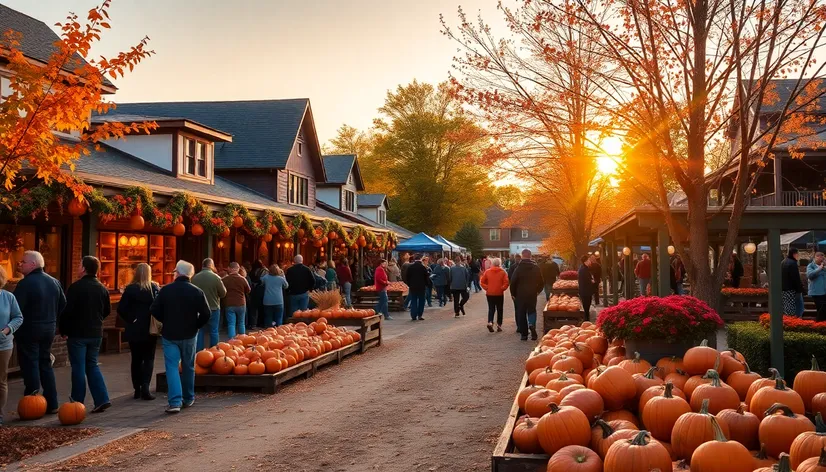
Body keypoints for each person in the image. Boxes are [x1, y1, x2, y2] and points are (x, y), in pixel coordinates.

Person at [150, 260, 211, 414]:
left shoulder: (166, 290)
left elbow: (154, 309)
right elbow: (206, 313)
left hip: (170, 333)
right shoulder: (197, 291)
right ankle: (189, 397)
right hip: (190, 333)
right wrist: (196, 325)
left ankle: (175, 401)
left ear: (177, 272)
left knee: (171, 367)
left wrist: (165, 320)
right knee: (189, 366)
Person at [13, 250, 65, 415]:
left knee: (30, 365)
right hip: (48, 329)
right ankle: (52, 403)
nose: (20, 264)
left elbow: (16, 309)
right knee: (45, 364)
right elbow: (63, 305)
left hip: (29, 330)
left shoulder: (25, 284)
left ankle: (32, 399)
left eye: (23, 262)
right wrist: (56, 323)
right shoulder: (54, 282)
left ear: (33, 264)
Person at [60, 256, 112, 413]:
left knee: (78, 367)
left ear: (84, 269)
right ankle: (102, 399)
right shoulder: (102, 288)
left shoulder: (75, 288)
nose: (77, 268)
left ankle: (77, 402)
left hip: (78, 334)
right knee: (92, 365)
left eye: (78, 265)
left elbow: (67, 311)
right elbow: (107, 310)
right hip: (96, 333)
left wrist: (64, 330)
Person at [118, 263, 159, 401]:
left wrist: (131, 319)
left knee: (136, 359)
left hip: (134, 329)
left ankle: (137, 388)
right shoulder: (153, 288)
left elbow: (121, 309)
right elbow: (158, 307)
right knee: (148, 358)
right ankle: (146, 387)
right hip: (149, 329)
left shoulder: (130, 289)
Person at [0, 266, 23, 424]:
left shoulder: (8, 297)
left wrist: (7, 330)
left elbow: (18, 317)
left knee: (0, 380)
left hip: (3, 345)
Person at [191, 258, 226, 350]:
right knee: (214, 330)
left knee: (200, 330)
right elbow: (223, 293)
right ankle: (214, 350)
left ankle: (199, 351)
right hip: (213, 307)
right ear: (211, 265)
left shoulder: (195, 277)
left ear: (203, 265)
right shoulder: (216, 277)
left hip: (199, 309)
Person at [509, 249, 544, 341]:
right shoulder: (536, 267)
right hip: (532, 293)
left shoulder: (518, 268)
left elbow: (513, 282)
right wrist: (537, 291)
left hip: (520, 294)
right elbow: (541, 282)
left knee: (521, 313)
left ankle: (524, 334)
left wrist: (513, 293)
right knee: (532, 311)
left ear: (522, 256)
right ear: (530, 256)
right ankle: (532, 325)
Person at [222, 262, 251, 338]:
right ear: (238, 269)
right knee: (241, 323)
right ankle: (243, 340)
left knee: (231, 324)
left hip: (229, 303)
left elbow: (221, 291)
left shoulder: (224, 279)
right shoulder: (243, 279)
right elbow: (248, 290)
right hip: (241, 303)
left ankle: (232, 341)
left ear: (229, 269)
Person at [480, 258, 509, 333]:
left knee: (491, 308)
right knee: (500, 309)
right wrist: (502, 288)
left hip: (490, 293)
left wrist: (487, 288)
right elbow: (506, 282)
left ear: (492, 263)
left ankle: (490, 322)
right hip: (499, 293)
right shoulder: (503, 272)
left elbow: (482, 281)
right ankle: (499, 325)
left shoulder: (488, 271)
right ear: (500, 263)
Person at [406, 254, 431, 321]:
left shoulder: (410, 267)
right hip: (421, 287)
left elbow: (407, 278)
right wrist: (427, 284)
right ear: (420, 259)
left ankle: (413, 315)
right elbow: (426, 278)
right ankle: (420, 315)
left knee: (413, 300)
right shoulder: (423, 268)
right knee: (421, 301)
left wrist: (409, 285)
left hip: (413, 287)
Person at [782, 248, 805, 317]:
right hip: (793, 289)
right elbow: (796, 278)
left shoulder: (783, 262)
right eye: (798, 254)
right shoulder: (792, 263)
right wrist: (800, 289)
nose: (798, 256)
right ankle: (796, 321)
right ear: (794, 254)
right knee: (799, 307)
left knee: (787, 306)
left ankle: (789, 320)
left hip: (784, 289)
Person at [246, 260, 266, 331]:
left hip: (253, 291)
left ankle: (253, 324)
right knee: (261, 307)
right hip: (261, 290)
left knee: (253, 308)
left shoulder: (251, 272)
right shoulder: (264, 271)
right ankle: (260, 323)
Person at [808, 252, 826, 321]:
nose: (822, 259)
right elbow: (810, 275)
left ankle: (821, 324)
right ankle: (818, 322)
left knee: (823, 309)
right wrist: (819, 268)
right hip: (816, 292)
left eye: (823, 258)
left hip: (824, 291)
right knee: (821, 308)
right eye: (820, 257)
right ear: (815, 257)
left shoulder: (824, 266)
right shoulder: (811, 266)